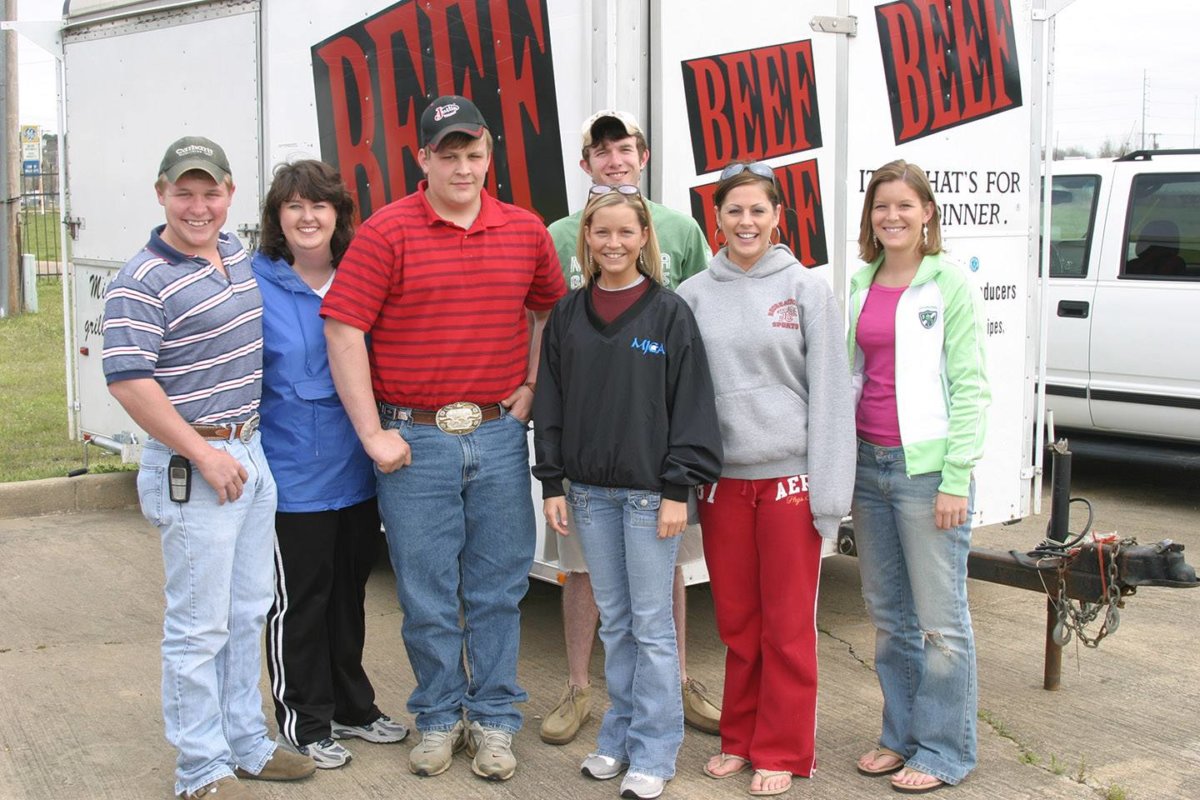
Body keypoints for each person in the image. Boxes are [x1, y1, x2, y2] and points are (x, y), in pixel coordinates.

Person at [322, 95, 566, 782]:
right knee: (428, 594)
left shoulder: (523, 231)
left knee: (496, 589)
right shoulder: (386, 233)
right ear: (423, 157)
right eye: (449, 154)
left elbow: (548, 310)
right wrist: (372, 431)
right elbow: (343, 329)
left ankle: (493, 720)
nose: (463, 167)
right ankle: (435, 717)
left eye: (475, 154)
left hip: (494, 434)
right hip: (415, 440)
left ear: (490, 157)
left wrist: (530, 386)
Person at [102, 136, 315, 799]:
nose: (198, 206)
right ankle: (200, 768)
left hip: (249, 452)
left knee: (249, 610)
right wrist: (203, 454)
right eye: (184, 192)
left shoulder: (234, 256)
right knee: (198, 625)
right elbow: (130, 383)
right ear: (161, 193)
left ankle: (247, 741)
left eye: (211, 192)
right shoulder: (140, 280)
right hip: (194, 462)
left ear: (228, 195)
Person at [534, 186, 723, 800]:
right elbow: (552, 403)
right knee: (615, 622)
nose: (613, 243)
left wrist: (677, 490)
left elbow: (692, 406)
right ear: (586, 238)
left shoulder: (669, 313)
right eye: (601, 232)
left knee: (652, 626)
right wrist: (553, 482)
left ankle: (656, 748)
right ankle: (617, 735)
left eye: (625, 232)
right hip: (587, 494)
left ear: (645, 239)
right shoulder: (567, 314)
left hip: (649, 498)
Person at [677, 161, 856, 797]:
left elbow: (833, 396)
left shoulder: (808, 290)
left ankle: (782, 749)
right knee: (736, 621)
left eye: (757, 210)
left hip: (790, 480)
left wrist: (830, 498)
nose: (745, 222)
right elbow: (683, 398)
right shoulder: (694, 295)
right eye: (733, 211)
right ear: (715, 219)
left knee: (785, 624)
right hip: (723, 483)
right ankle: (740, 737)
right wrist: (687, 489)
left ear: (778, 217)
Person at [252, 160, 409, 770]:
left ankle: (352, 705)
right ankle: (305, 719)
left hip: (357, 471)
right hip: (291, 478)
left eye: (320, 206)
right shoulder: (255, 282)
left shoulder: (359, 275)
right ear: (277, 218)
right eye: (294, 206)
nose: (308, 217)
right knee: (301, 602)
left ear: (341, 215)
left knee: (349, 596)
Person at [848, 159, 989, 794]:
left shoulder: (947, 284)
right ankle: (900, 736)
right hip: (867, 464)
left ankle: (943, 749)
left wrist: (956, 476)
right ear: (870, 217)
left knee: (940, 620)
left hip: (927, 473)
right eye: (882, 206)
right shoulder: (859, 282)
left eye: (905, 205)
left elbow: (972, 386)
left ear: (927, 212)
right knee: (888, 615)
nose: (893, 216)